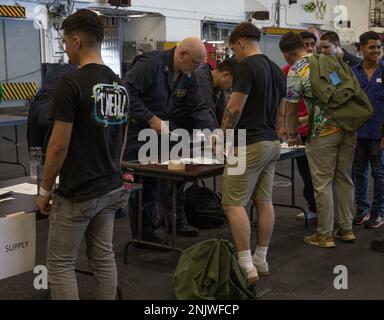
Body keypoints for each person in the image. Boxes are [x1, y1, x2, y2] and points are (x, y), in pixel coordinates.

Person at [35, 9, 130, 299]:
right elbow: (121, 139)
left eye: (64, 41)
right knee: (103, 258)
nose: (64, 48)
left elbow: (57, 145)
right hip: (110, 187)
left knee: (61, 264)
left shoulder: (71, 84)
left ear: (76, 41)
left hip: (78, 192)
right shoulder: (121, 85)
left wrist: (44, 189)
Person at [124, 37, 217, 243]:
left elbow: (198, 106)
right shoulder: (150, 64)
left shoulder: (187, 75)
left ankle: (153, 228)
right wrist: (150, 117)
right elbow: (126, 92)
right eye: (194, 63)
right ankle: (143, 236)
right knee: (141, 183)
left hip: (163, 132)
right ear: (182, 54)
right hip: (138, 132)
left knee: (158, 181)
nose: (195, 69)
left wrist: (213, 132)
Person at [221, 22, 286, 283]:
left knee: (233, 204)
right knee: (264, 200)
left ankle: (246, 265)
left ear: (241, 43)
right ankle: (261, 258)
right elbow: (282, 111)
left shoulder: (246, 66)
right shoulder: (275, 68)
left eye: (233, 49)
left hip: (246, 144)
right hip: (271, 143)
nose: (234, 55)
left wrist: (222, 136)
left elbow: (234, 109)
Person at [285, 32, 356, 248]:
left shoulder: (296, 69)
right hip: (347, 126)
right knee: (344, 177)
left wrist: (292, 133)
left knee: (323, 183)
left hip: (322, 132)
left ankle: (325, 234)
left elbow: (291, 109)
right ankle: (346, 228)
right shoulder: (329, 61)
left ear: (287, 54)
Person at [281, 32, 317, 221]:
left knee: (320, 177)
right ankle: (315, 208)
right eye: (306, 44)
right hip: (301, 130)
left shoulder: (321, 65)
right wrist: (285, 128)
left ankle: (326, 219)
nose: (310, 48)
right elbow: (285, 104)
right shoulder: (288, 70)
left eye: (313, 44)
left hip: (318, 130)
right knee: (307, 173)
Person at [351, 31, 384, 229]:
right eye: (372, 47)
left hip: (378, 134)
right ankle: (362, 210)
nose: (376, 51)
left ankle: (378, 213)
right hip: (357, 132)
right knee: (359, 173)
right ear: (361, 48)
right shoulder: (353, 72)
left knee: (379, 175)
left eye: (379, 47)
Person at [194, 58, 237, 126]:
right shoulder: (201, 80)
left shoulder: (218, 88)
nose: (232, 87)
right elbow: (206, 114)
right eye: (234, 82)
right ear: (226, 75)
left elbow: (222, 115)